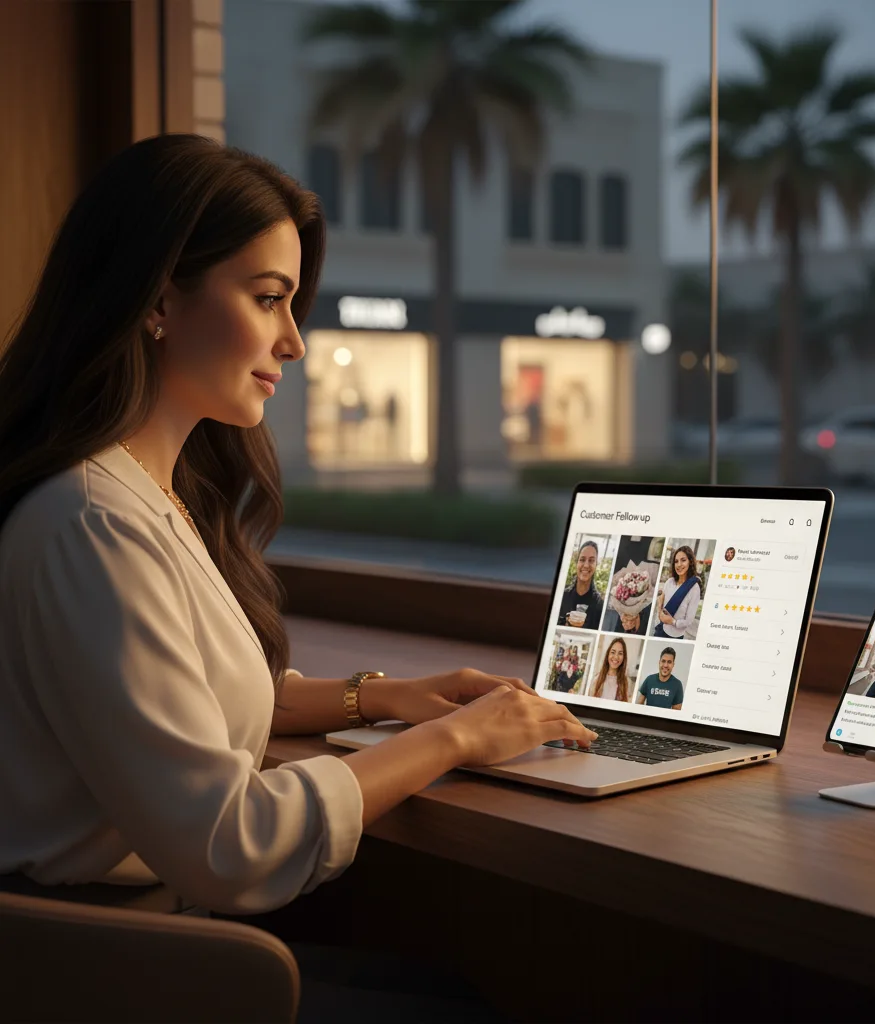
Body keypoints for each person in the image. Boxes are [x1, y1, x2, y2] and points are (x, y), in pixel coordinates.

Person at [0, 134, 596, 1019]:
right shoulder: (95, 523)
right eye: (269, 299)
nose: (295, 343)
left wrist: (386, 697)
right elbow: (230, 847)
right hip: (114, 970)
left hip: (135, 942)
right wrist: (457, 740)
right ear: (160, 295)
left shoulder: (134, 494)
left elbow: (180, 701)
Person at [653, 545, 702, 639]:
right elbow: (661, 602)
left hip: (675, 636)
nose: (679, 564)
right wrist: (659, 611)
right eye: (676, 561)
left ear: (690, 562)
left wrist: (672, 622)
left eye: (683, 560)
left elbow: (689, 620)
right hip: (660, 629)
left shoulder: (694, 588)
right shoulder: (669, 582)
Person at [556, 540, 604, 629]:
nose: (586, 565)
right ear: (576, 563)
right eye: (582, 560)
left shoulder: (599, 604)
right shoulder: (562, 596)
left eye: (591, 561)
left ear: (596, 565)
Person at [589, 638, 631, 703]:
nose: (616, 657)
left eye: (620, 653)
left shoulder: (626, 683)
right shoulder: (596, 679)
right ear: (608, 654)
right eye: (613, 652)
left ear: (624, 657)